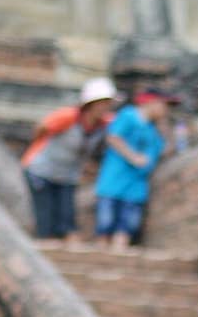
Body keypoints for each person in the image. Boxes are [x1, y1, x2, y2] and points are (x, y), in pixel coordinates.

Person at [21, 77, 117, 241]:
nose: (105, 108)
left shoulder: (104, 124)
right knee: (46, 214)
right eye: (102, 103)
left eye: (108, 104)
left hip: (67, 175)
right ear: (90, 104)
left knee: (67, 216)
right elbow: (41, 128)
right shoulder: (68, 117)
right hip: (41, 170)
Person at [94, 89, 174, 249]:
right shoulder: (129, 116)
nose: (166, 110)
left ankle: (118, 252)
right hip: (114, 181)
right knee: (106, 223)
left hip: (136, 187)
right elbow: (113, 137)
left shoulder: (154, 130)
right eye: (164, 105)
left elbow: (165, 151)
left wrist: (165, 128)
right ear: (152, 102)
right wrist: (133, 157)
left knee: (127, 226)